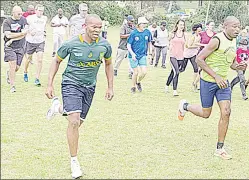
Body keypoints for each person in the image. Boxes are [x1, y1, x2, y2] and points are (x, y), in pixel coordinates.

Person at [45, 14, 114, 179]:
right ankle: (74, 161)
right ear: (85, 26)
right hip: (71, 83)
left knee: (78, 122)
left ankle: (59, 108)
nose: (97, 30)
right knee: (74, 121)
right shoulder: (71, 43)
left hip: (89, 87)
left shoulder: (104, 45)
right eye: (94, 27)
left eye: (99, 27)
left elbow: (109, 64)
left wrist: (110, 86)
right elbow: (56, 61)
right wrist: (49, 83)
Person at [177, 16, 243, 160]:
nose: (237, 29)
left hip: (223, 84)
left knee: (226, 112)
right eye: (234, 26)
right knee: (206, 113)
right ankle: (185, 105)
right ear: (225, 26)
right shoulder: (216, 40)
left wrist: (238, 66)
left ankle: (220, 149)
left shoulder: (234, 41)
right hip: (208, 81)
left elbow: (230, 63)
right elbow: (199, 59)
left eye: (239, 26)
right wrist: (216, 77)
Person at [3, 6, 28, 93]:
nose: (20, 15)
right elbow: (8, 35)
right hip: (9, 47)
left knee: (16, 68)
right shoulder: (7, 21)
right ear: (13, 13)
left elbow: (24, 34)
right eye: (18, 13)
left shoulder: (24, 20)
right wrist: (20, 34)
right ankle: (12, 86)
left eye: (21, 13)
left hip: (20, 47)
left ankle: (9, 73)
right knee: (13, 65)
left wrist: (13, 39)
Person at [22, 4, 47, 86]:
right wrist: (29, 32)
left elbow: (44, 28)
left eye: (42, 11)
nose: (41, 12)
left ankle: (37, 78)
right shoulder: (30, 18)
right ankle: (25, 72)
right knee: (28, 59)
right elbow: (24, 28)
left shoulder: (44, 18)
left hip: (40, 41)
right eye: (39, 10)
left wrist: (44, 33)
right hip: (31, 41)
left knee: (40, 59)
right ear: (36, 10)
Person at [127, 17, 153, 94]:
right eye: (143, 24)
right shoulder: (134, 33)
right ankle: (133, 87)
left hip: (143, 55)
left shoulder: (147, 32)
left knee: (144, 72)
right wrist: (132, 54)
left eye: (145, 24)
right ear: (139, 24)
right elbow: (128, 45)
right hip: (133, 56)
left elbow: (149, 43)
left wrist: (150, 52)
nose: (145, 25)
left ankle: (138, 82)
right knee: (135, 72)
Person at [165, 20, 186, 96]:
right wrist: (169, 46)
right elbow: (167, 41)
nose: (181, 26)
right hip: (173, 56)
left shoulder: (185, 35)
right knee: (176, 72)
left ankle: (167, 85)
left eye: (183, 25)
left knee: (173, 72)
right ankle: (175, 90)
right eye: (180, 25)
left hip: (181, 57)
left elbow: (186, 45)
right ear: (177, 25)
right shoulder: (172, 34)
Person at [184, 23, 203, 92]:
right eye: (199, 31)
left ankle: (194, 84)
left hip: (194, 55)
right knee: (182, 69)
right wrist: (198, 46)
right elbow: (188, 46)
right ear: (195, 30)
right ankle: (173, 77)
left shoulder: (199, 37)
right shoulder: (192, 36)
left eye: (201, 30)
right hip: (186, 54)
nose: (200, 32)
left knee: (196, 69)